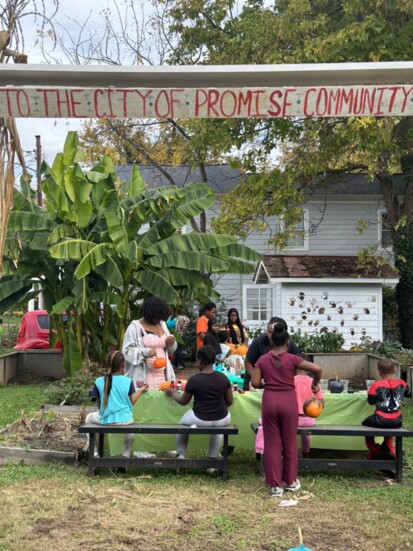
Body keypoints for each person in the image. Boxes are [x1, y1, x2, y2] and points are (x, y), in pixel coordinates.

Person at [251, 321, 321, 498]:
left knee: (272, 443)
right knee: (289, 442)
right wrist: (315, 384)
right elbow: (317, 368)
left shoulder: (263, 359)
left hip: (269, 401)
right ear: (287, 343)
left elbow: (254, 382)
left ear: (271, 342)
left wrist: (265, 382)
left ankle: (275, 486)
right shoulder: (292, 359)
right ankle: (290, 482)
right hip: (288, 402)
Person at [164, 345, 233, 464]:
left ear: (200, 360)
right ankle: (212, 459)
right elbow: (230, 401)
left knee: (182, 424)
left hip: (199, 418)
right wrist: (217, 409)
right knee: (218, 429)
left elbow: (183, 401)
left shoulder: (194, 379)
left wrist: (173, 393)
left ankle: (180, 455)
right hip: (222, 418)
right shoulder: (223, 378)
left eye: (196, 359)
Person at [85, 350, 148, 457]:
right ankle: (125, 455)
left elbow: (99, 405)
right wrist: (141, 390)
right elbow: (131, 402)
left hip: (106, 420)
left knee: (88, 418)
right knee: (130, 429)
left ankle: (94, 451)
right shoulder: (128, 381)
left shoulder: (99, 381)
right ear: (123, 365)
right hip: (125, 420)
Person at [122, 296, 177, 390]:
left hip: (163, 376)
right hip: (143, 379)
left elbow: (171, 351)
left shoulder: (162, 325)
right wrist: (146, 352)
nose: (159, 320)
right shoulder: (134, 327)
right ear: (149, 314)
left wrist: (171, 343)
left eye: (160, 317)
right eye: (156, 317)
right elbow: (126, 352)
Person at [362, 358, 407, 460]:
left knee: (365, 426)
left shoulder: (376, 385)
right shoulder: (402, 383)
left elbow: (370, 402)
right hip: (397, 420)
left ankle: (376, 451)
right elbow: (409, 393)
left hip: (380, 418)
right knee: (389, 434)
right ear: (394, 371)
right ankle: (393, 455)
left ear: (380, 372)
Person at [243, 317, 300, 391]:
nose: (270, 335)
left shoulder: (290, 343)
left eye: (272, 332)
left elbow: (298, 366)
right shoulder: (259, 342)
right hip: (256, 384)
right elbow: (247, 362)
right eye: (268, 332)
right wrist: (257, 379)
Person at [294, 368, 324, 458]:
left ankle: (288, 454)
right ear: (307, 369)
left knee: (287, 432)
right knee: (306, 435)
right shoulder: (314, 382)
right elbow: (322, 404)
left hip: (293, 420)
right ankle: (306, 455)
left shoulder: (291, 380)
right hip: (309, 420)